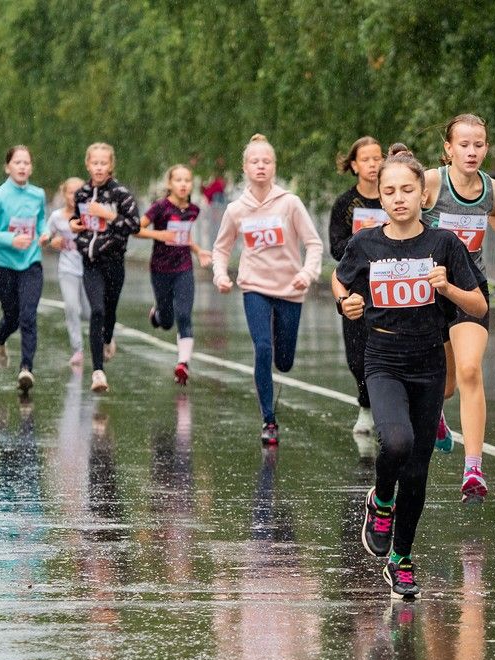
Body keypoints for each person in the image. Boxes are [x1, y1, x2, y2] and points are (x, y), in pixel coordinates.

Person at [333, 144, 486, 599]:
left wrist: (449, 288)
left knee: (417, 470)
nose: (398, 198)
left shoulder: (443, 244)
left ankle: (400, 559)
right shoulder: (366, 243)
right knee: (396, 442)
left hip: (428, 361)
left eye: (407, 189)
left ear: (423, 194)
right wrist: (346, 303)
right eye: (389, 191)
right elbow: (340, 279)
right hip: (383, 357)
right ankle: (381, 499)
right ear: (380, 196)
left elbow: (478, 305)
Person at [422, 113, 495, 502]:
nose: (472, 152)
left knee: (470, 370)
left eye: (479, 145)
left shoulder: (492, 189)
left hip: (470, 288)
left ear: (486, 148)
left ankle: (473, 468)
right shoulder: (432, 183)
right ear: (448, 148)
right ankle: (436, 414)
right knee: (447, 385)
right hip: (430, 288)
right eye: (464, 145)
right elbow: (399, 210)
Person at [211, 134, 323, 445]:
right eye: (254, 161)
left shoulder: (290, 203)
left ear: (274, 166)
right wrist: (220, 275)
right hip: (254, 287)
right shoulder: (236, 209)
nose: (261, 166)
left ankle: (279, 358)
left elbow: (314, 243)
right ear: (245, 168)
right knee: (262, 348)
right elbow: (221, 249)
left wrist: (307, 273)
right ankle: (268, 420)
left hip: (290, 288)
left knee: (283, 362)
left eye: (267, 161)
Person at [70, 142, 141, 393]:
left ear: (111, 166)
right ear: (88, 165)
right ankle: (98, 372)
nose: (99, 167)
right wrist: (74, 225)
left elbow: (134, 225)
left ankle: (108, 338)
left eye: (103, 163)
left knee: (109, 312)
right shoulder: (81, 193)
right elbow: (76, 219)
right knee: (97, 311)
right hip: (90, 262)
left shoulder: (121, 193)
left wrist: (107, 214)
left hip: (113, 261)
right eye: (95, 163)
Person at [328, 135, 386, 438]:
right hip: (357, 286)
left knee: (388, 348)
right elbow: (336, 248)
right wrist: (365, 237)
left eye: (378, 158)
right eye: (366, 159)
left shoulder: (393, 194)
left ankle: (387, 411)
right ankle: (365, 405)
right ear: (354, 165)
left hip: (390, 282)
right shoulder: (345, 204)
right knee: (357, 356)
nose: (373, 164)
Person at [0, 145, 48, 393]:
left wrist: (44, 234)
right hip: (5, 264)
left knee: (28, 316)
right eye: (17, 162)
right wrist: (11, 239)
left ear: (31, 168)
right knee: (12, 317)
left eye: (26, 163)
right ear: (8, 167)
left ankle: (26, 369)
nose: (22, 167)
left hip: (31, 262)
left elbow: (41, 220)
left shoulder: (38, 194)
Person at [136, 164, 212, 385]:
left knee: (184, 315)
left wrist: (198, 251)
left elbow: (184, 236)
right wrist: (160, 235)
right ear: (170, 184)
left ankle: (183, 363)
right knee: (167, 322)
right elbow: (136, 229)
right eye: (178, 180)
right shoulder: (160, 207)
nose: (183, 184)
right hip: (160, 269)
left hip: (183, 268)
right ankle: (158, 314)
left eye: (187, 180)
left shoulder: (193, 210)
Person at [46, 177, 90, 367]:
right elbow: (46, 236)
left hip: (89, 269)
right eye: (71, 192)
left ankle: (105, 337)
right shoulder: (57, 217)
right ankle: (77, 349)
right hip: (68, 269)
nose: (75, 196)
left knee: (90, 312)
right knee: (72, 307)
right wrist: (52, 241)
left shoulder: (91, 214)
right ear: (64, 194)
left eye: (79, 192)